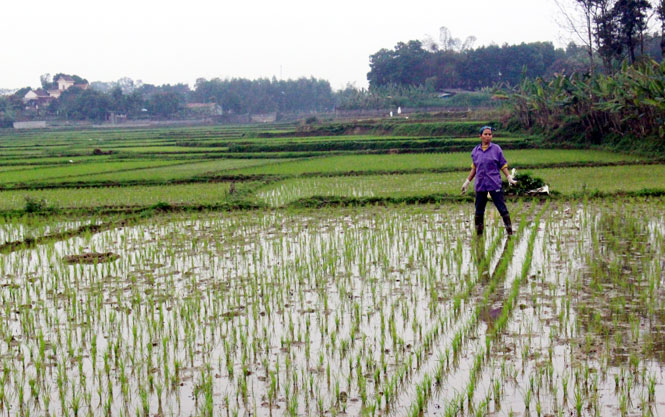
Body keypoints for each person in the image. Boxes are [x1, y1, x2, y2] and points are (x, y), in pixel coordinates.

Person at [461, 126, 517, 236]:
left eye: (490, 134)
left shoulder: (496, 149)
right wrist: (467, 181)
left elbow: (503, 165)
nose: (488, 136)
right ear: (480, 136)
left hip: (494, 184)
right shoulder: (475, 151)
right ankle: (479, 234)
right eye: (485, 134)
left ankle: (510, 232)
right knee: (479, 211)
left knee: (502, 208)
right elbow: (474, 168)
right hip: (480, 185)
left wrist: (509, 177)